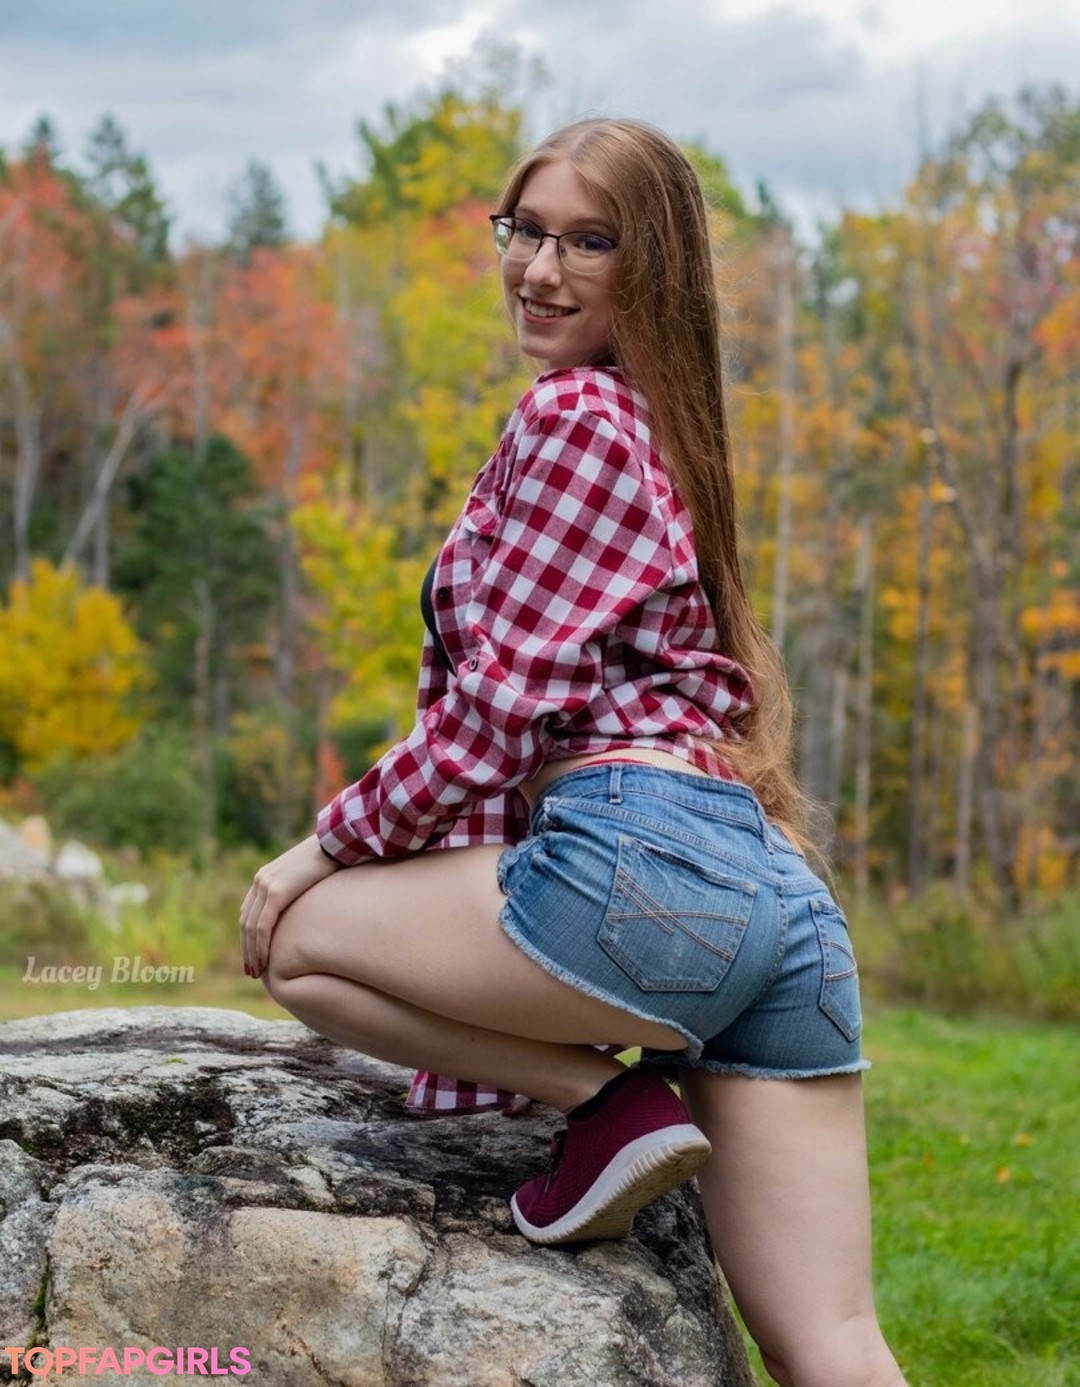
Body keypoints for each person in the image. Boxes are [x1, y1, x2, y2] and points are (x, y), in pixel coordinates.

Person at [240, 117, 909, 1387]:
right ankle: (612, 1102)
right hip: (780, 909)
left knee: (298, 937)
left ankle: (604, 1103)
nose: (540, 270)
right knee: (831, 1340)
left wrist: (318, 846)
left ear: (651, 265)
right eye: (526, 231)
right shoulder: (665, 428)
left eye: (589, 242)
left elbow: (496, 715)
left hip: (640, 872)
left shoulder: (576, 417)